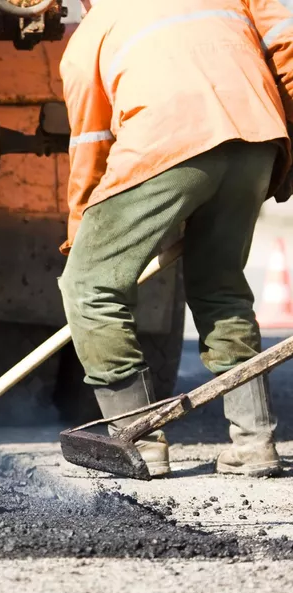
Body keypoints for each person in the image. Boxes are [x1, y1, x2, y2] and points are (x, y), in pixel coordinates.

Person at [59, 0, 293, 477]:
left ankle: (139, 439)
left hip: (167, 143)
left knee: (91, 287)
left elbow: (90, 146)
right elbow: (287, 51)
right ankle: (255, 443)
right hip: (257, 143)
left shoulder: (91, 36)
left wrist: (82, 231)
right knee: (220, 285)